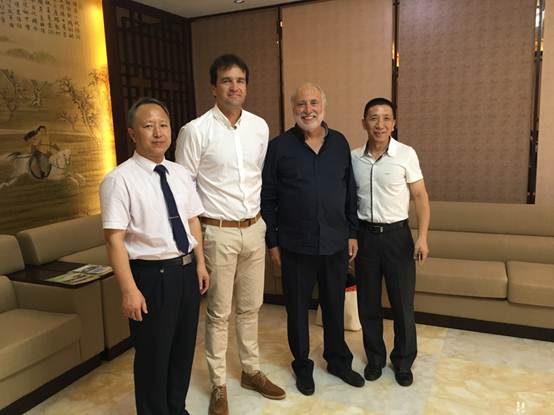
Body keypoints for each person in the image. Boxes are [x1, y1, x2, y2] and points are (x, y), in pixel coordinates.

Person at [175, 54, 285, 415]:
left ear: (246, 86)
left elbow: (260, 178)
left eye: (240, 80)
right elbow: (183, 190)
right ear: (213, 87)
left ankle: (251, 371)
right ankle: (218, 384)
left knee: (251, 307)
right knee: (219, 312)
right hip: (217, 231)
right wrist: (196, 246)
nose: (234, 87)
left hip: (254, 228)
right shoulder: (195, 131)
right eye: (226, 80)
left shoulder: (259, 127)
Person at [100, 97, 209, 415]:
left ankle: (176, 408)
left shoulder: (180, 173)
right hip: (150, 277)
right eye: (148, 126)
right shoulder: (119, 180)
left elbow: (192, 221)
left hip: (185, 272)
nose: (158, 132)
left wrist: (200, 264)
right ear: (132, 133)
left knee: (182, 351)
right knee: (153, 357)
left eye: (163, 125)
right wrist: (129, 290)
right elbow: (114, 240)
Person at [261, 83, 364, 396]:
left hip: (335, 241)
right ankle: (303, 365)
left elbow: (349, 190)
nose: (308, 110)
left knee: (333, 304)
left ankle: (337, 361)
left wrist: (352, 232)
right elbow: (268, 197)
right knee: (296, 309)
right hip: (295, 245)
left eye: (314, 103)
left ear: (324, 106)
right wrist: (273, 242)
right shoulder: (279, 147)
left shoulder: (339, 143)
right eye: (301, 104)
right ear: (293, 109)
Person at [351, 97, 430, 387]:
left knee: (402, 305)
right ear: (364, 123)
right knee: (368, 304)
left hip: (398, 237)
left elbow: (420, 197)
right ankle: (374, 359)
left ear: (394, 123)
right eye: (373, 118)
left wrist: (422, 237)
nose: (380, 124)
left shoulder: (406, 154)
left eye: (386, 118)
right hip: (366, 238)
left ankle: (403, 361)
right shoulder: (353, 158)